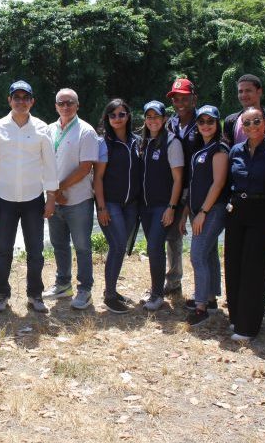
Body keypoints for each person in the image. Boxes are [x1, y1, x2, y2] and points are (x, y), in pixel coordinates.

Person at [0, 80, 58, 314]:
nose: (21, 102)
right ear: (10, 100)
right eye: (17, 97)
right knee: (3, 249)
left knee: (35, 250)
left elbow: (50, 165)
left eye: (25, 98)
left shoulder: (42, 128)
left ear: (32, 101)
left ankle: (35, 294)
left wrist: (51, 197)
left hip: (34, 198)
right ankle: (2, 294)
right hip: (5, 198)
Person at [224, 107, 265, 341]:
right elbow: (228, 182)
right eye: (247, 123)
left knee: (254, 267)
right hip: (236, 210)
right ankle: (236, 318)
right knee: (233, 263)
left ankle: (248, 327)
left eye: (256, 121)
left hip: (263, 211)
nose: (252, 126)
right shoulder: (235, 151)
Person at [43, 88, 98, 310]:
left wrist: (58, 189)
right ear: (55, 106)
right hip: (54, 199)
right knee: (59, 245)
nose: (65, 106)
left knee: (82, 246)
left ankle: (85, 289)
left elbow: (85, 168)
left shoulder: (86, 131)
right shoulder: (48, 129)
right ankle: (63, 284)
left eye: (70, 102)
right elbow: (42, 162)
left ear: (77, 105)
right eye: (61, 103)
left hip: (78, 200)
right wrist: (53, 193)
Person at [179, 105, 229, 327]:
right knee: (208, 255)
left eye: (210, 121)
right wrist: (186, 213)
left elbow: (218, 184)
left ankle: (201, 308)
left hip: (213, 210)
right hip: (197, 210)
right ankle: (209, 299)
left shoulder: (219, 149)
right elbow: (193, 184)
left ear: (217, 124)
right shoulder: (201, 148)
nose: (206, 125)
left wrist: (203, 212)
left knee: (197, 255)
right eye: (201, 121)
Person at [93, 99, 142, 313]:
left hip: (131, 204)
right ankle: (110, 296)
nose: (117, 118)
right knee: (118, 245)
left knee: (120, 247)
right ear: (107, 118)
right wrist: (101, 207)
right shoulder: (103, 143)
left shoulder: (137, 142)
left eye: (121, 114)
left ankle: (112, 289)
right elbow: (97, 178)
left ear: (128, 116)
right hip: (110, 203)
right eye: (112, 115)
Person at [138, 100, 184, 312]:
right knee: (153, 247)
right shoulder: (143, 142)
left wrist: (171, 207)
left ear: (164, 119)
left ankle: (157, 295)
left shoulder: (172, 142)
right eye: (149, 117)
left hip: (162, 206)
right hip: (145, 206)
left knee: (155, 247)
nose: (152, 121)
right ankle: (155, 289)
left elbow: (178, 179)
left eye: (156, 116)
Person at [164, 76, 199, 297]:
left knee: (202, 242)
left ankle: (206, 291)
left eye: (184, 98)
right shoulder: (171, 123)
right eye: (176, 99)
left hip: (200, 189)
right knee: (173, 236)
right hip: (176, 187)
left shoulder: (204, 121)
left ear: (194, 99)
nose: (180, 103)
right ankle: (174, 281)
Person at [222, 74, 265, 147]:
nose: (243, 95)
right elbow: (226, 150)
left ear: (259, 92)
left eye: (248, 91)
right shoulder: (229, 121)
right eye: (240, 91)